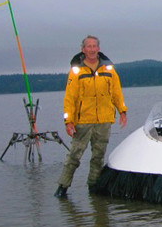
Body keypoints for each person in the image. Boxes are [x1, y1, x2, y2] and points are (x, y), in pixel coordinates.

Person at [54, 35, 127, 198]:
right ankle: (63, 187)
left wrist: (122, 110)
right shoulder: (76, 71)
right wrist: (68, 121)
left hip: (103, 120)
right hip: (83, 121)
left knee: (98, 156)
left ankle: (93, 186)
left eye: (95, 46)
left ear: (98, 49)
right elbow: (69, 98)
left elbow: (116, 92)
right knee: (74, 155)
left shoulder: (108, 69)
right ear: (83, 49)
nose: (92, 49)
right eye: (89, 46)